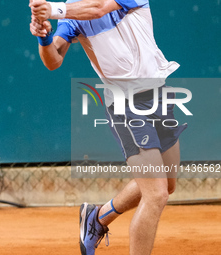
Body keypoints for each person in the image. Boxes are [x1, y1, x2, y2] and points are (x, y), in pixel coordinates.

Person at [29, 1, 187, 255]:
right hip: (126, 105)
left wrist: (54, 10)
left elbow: (99, 8)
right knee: (156, 194)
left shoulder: (75, 9)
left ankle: (97, 217)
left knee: (167, 183)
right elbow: (53, 61)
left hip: (159, 95)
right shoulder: (73, 12)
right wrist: (45, 38)